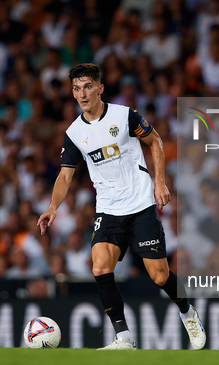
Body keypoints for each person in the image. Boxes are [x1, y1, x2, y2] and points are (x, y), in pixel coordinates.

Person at [37, 63, 206, 350]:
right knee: (100, 267)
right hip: (108, 209)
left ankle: (188, 314)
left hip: (140, 204)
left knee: (159, 276)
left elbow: (155, 141)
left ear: (100, 88)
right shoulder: (75, 132)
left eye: (88, 86)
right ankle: (124, 338)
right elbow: (66, 174)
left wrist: (160, 182)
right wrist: (53, 207)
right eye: (77, 88)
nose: (82, 93)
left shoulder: (124, 116)